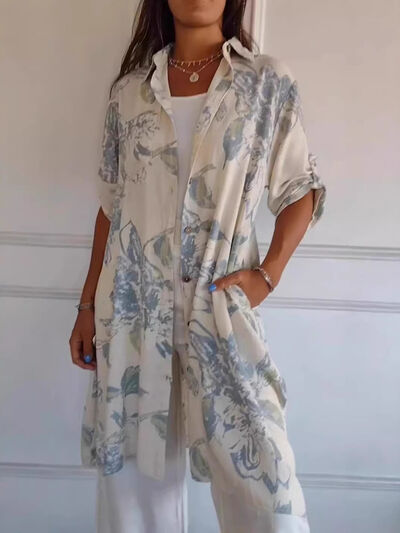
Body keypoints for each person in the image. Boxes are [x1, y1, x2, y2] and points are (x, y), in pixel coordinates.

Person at [69, 0, 326, 531]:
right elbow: (112, 207)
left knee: (270, 494)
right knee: (135, 498)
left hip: (221, 314)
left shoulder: (265, 82)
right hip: (135, 315)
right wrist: (87, 304)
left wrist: (268, 274)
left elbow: (301, 189)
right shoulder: (130, 93)